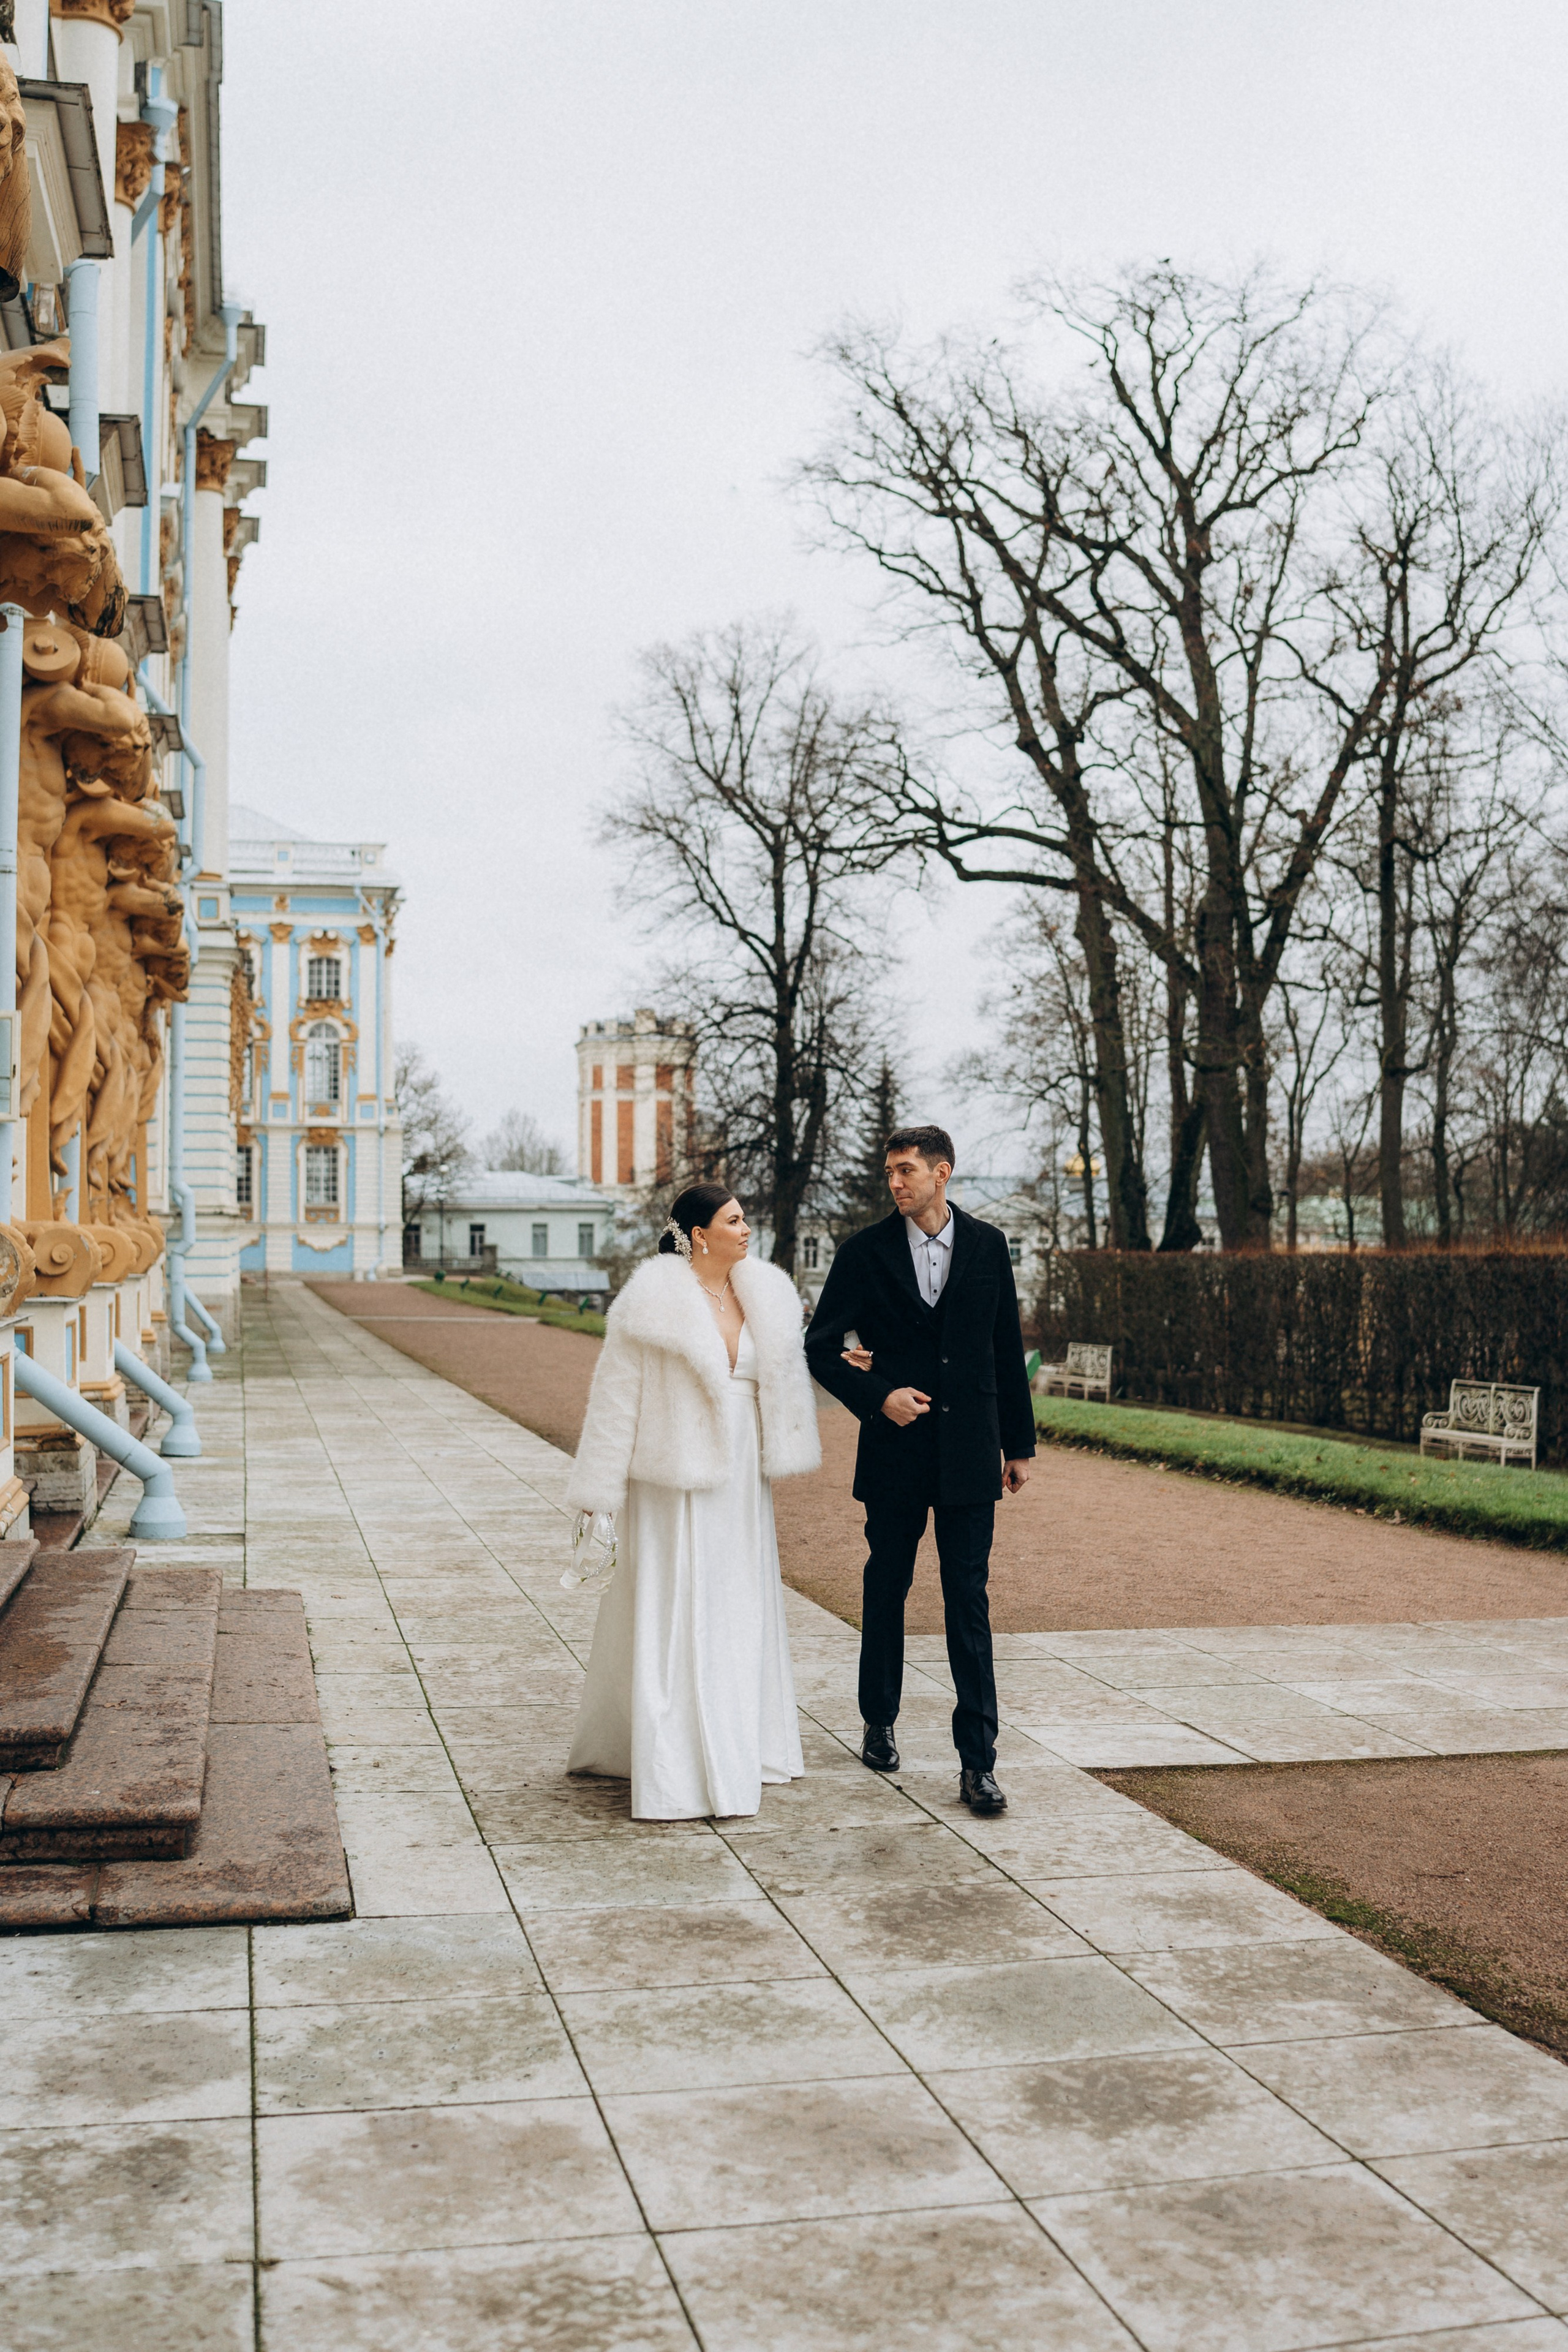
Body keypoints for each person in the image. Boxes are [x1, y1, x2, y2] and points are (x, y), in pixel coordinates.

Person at [566, 1181, 821, 1819]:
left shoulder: (764, 1292)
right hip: (671, 1477)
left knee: (738, 1605)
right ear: (700, 1234)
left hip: (741, 1479)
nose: (746, 1229)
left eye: (746, 1219)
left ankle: (747, 1742)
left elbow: (781, 1375)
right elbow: (615, 1398)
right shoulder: (651, 1301)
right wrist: (598, 1491)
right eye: (735, 1220)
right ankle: (673, 1765)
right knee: (677, 1606)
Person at [804, 1125, 1035, 1814]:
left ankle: (979, 1764)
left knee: (968, 1600)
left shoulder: (990, 1247)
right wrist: (879, 1397)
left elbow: (1005, 1348)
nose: (895, 1183)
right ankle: (878, 1720)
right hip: (895, 1452)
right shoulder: (864, 1252)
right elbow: (817, 1346)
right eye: (889, 1172)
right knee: (887, 1586)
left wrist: (1017, 1445)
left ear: (943, 1173)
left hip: (969, 1452)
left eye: (906, 1170)